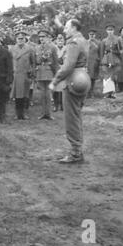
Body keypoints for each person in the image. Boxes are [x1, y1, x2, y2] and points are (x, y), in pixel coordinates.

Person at [49, 19, 89, 163]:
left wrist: (55, 81)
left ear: (73, 27)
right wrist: (58, 21)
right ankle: (78, 149)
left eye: (66, 27)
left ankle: (75, 153)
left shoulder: (73, 43)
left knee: (71, 118)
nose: (64, 30)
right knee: (77, 115)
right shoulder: (83, 40)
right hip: (83, 79)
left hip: (73, 81)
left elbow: (67, 66)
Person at [9, 31, 35, 120]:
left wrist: (32, 73)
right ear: (16, 39)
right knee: (17, 96)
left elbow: (33, 62)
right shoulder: (12, 49)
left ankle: (24, 113)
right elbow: (9, 63)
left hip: (25, 75)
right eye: (18, 39)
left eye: (22, 38)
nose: (20, 40)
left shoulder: (30, 49)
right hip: (16, 75)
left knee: (25, 95)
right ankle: (17, 113)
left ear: (25, 39)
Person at [35, 29, 59, 119]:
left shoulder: (52, 47)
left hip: (49, 72)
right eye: (40, 37)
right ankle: (43, 113)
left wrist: (56, 74)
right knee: (42, 94)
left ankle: (49, 114)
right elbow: (36, 61)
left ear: (47, 37)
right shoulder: (37, 47)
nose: (41, 38)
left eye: (43, 37)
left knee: (48, 94)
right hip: (40, 72)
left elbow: (55, 62)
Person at [100, 24, 122, 98]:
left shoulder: (118, 39)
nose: (110, 32)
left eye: (111, 30)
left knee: (114, 76)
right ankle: (107, 93)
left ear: (114, 31)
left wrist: (119, 54)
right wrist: (101, 61)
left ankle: (113, 92)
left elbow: (122, 50)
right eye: (108, 30)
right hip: (106, 60)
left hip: (115, 59)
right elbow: (101, 52)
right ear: (106, 31)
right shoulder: (104, 40)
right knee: (106, 76)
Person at [86, 29, 101, 98]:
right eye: (90, 34)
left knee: (93, 78)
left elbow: (100, 53)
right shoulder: (86, 42)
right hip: (87, 63)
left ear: (95, 35)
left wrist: (99, 61)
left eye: (93, 34)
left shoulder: (98, 43)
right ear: (88, 35)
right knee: (87, 78)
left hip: (95, 62)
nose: (91, 36)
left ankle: (92, 92)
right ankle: (87, 93)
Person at [53, 33, 66, 110]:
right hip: (55, 70)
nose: (60, 41)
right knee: (55, 88)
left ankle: (62, 105)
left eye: (62, 40)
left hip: (64, 70)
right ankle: (55, 105)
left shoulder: (67, 48)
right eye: (58, 39)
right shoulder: (53, 49)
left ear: (64, 41)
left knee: (63, 88)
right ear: (56, 41)